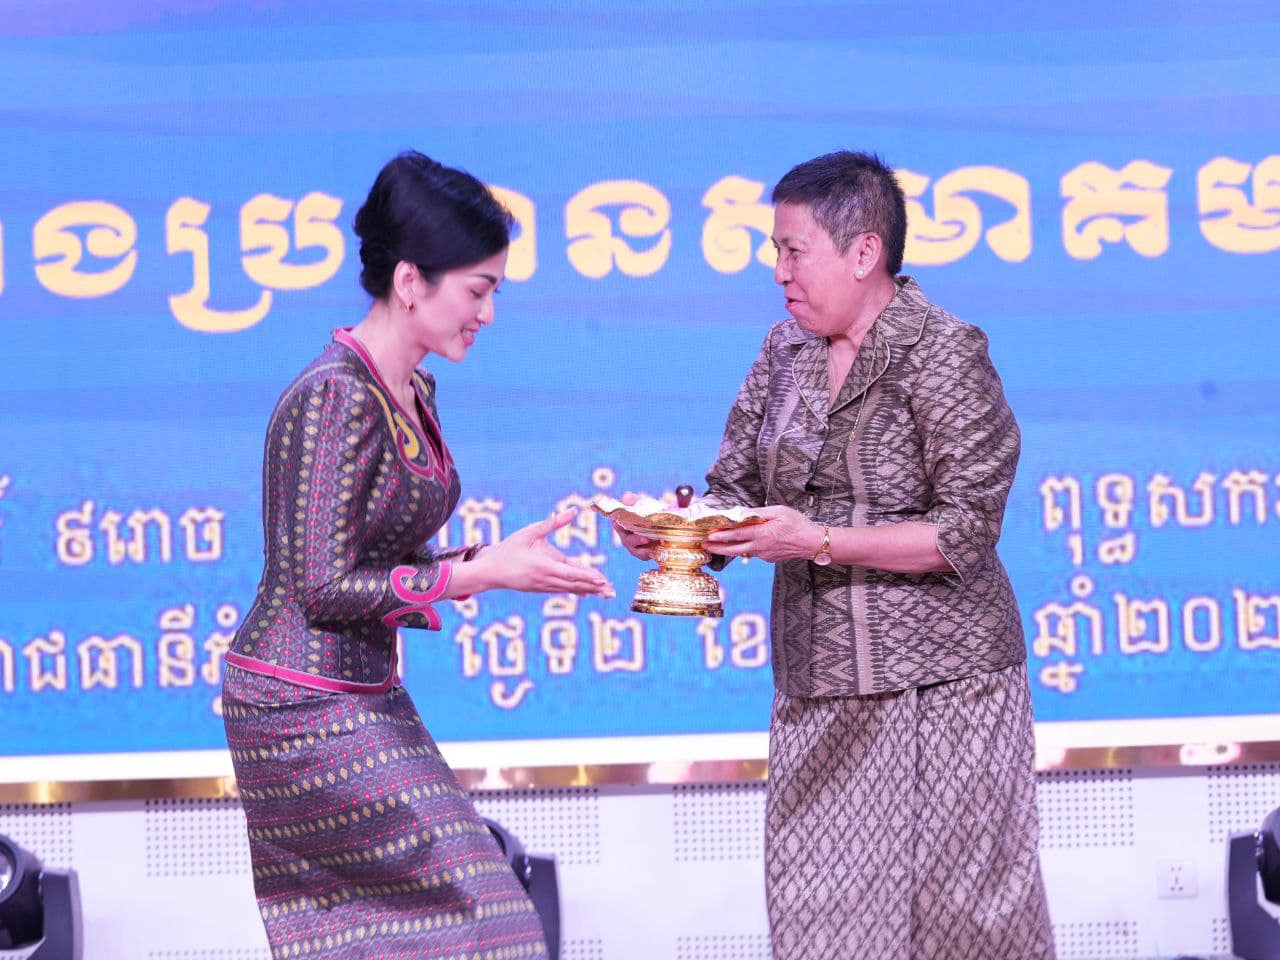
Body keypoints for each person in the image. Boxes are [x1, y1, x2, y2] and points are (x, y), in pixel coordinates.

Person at [617, 151, 1056, 959]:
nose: (778, 271)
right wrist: (680, 536)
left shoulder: (944, 351)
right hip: (820, 689)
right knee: (822, 923)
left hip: (945, 694)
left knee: (965, 927)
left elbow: (963, 531)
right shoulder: (783, 351)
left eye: (794, 251)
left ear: (863, 253)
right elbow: (735, 489)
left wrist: (815, 541)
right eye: (775, 250)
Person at [222, 150, 613, 959]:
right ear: (410, 281)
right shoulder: (337, 394)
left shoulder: (411, 387)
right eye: (478, 290)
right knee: (487, 922)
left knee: (429, 932)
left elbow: (384, 552)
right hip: (297, 700)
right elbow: (323, 585)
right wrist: (478, 573)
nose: (488, 313)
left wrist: (488, 560)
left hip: (359, 688)